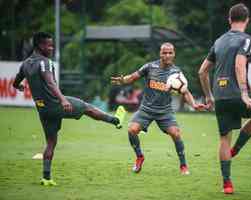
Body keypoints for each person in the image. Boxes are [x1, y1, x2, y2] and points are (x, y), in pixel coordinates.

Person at [13, 32, 127, 186]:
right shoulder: (45, 62)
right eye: (49, 45)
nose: (52, 48)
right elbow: (51, 83)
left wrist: (18, 86)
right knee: (87, 108)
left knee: (51, 142)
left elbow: (16, 82)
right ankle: (116, 120)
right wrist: (63, 100)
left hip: (42, 109)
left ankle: (46, 178)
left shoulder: (26, 63)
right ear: (40, 45)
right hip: (55, 104)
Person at [198, 3, 251, 194]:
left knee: (223, 139)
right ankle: (236, 150)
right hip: (237, 93)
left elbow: (202, 72)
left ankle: (227, 184)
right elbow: (239, 64)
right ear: (247, 20)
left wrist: (209, 96)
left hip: (219, 95)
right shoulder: (247, 39)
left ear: (229, 20)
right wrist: (244, 92)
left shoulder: (219, 41)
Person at [111, 42, 206, 175]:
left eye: (170, 53)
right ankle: (139, 157)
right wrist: (123, 80)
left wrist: (194, 104)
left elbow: (185, 91)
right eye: (164, 52)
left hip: (165, 111)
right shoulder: (150, 67)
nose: (167, 55)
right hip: (146, 109)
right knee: (132, 130)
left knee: (176, 134)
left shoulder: (176, 72)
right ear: (160, 54)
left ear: (174, 54)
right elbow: (132, 77)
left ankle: (183, 165)